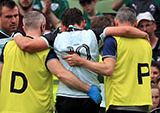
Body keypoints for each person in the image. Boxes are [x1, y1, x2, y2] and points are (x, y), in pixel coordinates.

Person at [13, 7, 149, 113]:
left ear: (63, 25)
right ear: (84, 22)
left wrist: (18, 33)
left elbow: (26, 46)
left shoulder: (56, 37)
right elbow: (125, 30)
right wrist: (144, 34)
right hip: (90, 98)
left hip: (65, 96)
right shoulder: (94, 34)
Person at [0, 10, 102, 113]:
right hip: (36, 109)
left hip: (7, 108)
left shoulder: (7, 47)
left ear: (23, 28)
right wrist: (88, 89)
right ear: (42, 26)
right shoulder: (45, 51)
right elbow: (62, 74)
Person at [62, 7, 153, 113]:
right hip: (143, 103)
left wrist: (81, 61)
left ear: (116, 22)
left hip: (120, 102)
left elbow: (107, 69)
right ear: (136, 23)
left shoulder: (112, 39)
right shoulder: (146, 42)